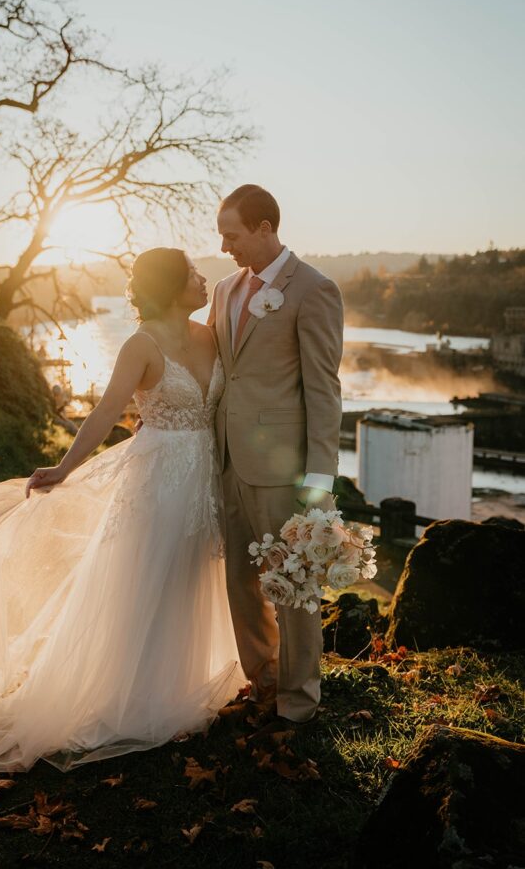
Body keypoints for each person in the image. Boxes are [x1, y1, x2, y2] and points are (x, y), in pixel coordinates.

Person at [0, 248, 244, 772]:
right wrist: (63, 469)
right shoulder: (141, 344)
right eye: (193, 274)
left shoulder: (211, 335)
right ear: (173, 285)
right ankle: (131, 696)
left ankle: (182, 680)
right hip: (156, 478)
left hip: (204, 475)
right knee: (145, 578)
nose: (203, 280)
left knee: (192, 575)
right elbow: (106, 412)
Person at [208, 184, 344, 733]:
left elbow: (324, 389)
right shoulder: (223, 289)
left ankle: (298, 702)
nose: (224, 246)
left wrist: (320, 478)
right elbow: (222, 373)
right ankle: (262, 680)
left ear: (265, 228)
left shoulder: (314, 289)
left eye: (232, 234)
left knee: (295, 585)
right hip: (227, 460)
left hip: (283, 468)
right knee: (240, 580)